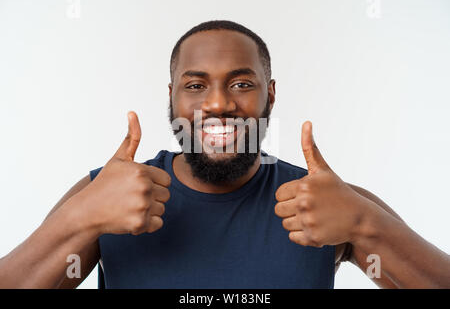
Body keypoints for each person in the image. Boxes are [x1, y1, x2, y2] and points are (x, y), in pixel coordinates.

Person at [1, 20, 449, 289]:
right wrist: (82, 219)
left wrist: (363, 223)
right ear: (172, 98)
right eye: (195, 86)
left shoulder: (327, 202)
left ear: (269, 95)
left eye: (241, 84)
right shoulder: (103, 194)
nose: (217, 104)